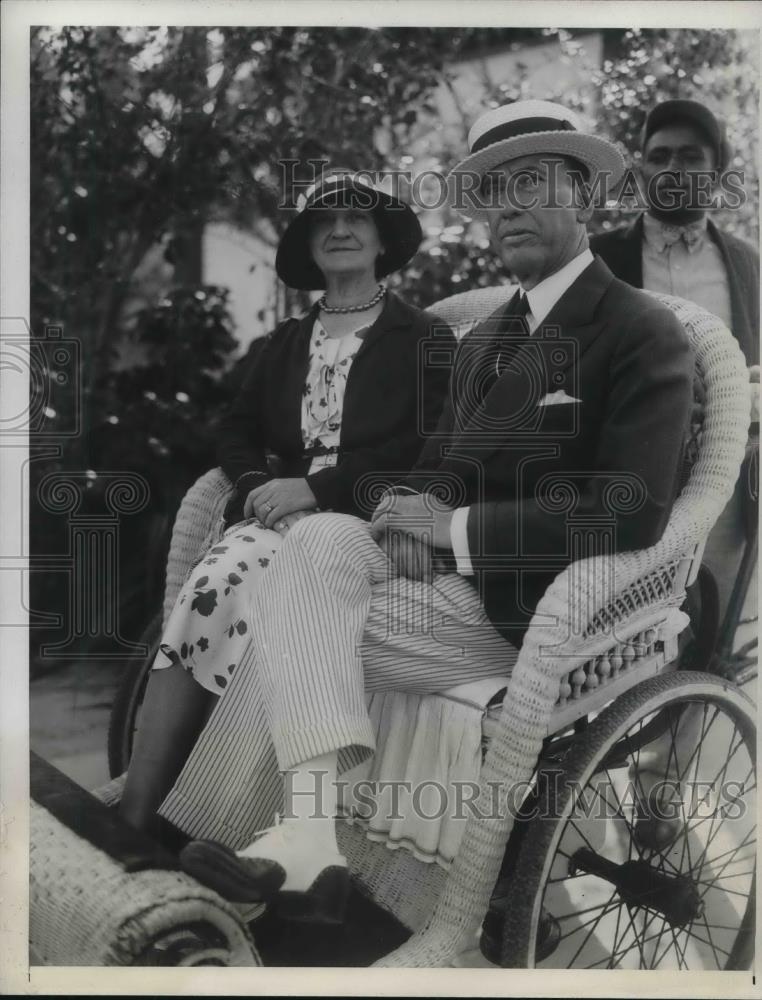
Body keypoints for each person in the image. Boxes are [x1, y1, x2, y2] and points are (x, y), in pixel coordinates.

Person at [135, 100, 694, 926]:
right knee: (313, 549)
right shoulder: (489, 336)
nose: (507, 210)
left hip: (552, 610)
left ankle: (203, 839)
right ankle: (309, 836)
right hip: (454, 592)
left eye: (530, 186)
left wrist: (457, 531)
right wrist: (413, 507)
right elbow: (444, 468)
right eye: (492, 195)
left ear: (583, 196)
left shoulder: (641, 329)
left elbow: (634, 510)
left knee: (286, 611)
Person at [118, 172, 456, 836]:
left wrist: (319, 488)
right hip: (278, 515)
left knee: (234, 583)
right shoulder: (281, 346)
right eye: (322, 220)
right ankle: (140, 812)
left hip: (367, 520)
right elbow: (233, 433)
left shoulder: (423, 339)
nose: (339, 229)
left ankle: (204, 816)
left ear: (381, 238)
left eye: (355, 217)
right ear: (308, 245)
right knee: (214, 585)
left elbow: (429, 445)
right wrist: (254, 489)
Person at [590, 98, 759, 634]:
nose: (672, 170)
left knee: (717, 648)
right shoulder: (594, 261)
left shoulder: (750, 265)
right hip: (627, 487)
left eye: (690, 156)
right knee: (623, 657)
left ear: (718, 169)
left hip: (729, 495)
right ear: (640, 169)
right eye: (658, 156)